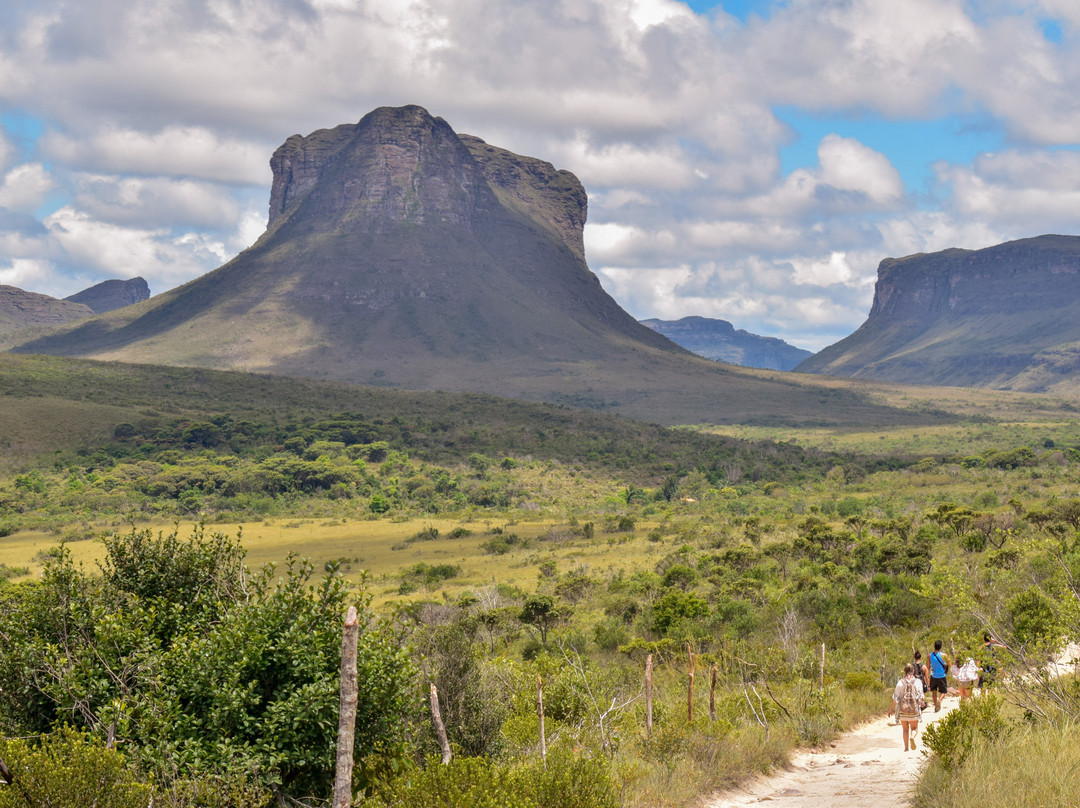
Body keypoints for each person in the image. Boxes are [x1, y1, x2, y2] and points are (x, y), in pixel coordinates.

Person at [888, 663, 925, 751]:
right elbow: (920, 696)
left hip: (903, 709)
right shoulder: (917, 682)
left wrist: (891, 709)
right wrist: (922, 703)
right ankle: (912, 737)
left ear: (904, 672)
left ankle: (906, 747)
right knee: (914, 728)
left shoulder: (900, 682)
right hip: (914, 709)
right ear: (913, 671)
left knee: (905, 729)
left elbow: (896, 697)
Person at [928, 640, 949, 712]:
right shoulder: (944, 655)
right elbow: (949, 664)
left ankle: (935, 705)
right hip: (942, 675)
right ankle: (939, 700)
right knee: (943, 691)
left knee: (934, 691)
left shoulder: (930, 655)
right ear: (941, 647)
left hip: (933, 676)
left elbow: (928, 666)